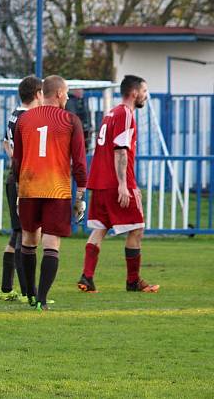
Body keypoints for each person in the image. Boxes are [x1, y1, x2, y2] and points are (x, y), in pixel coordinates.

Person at [77, 75, 159, 294]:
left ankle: (87, 276)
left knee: (99, 229)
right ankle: (133, 281)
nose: (145, 95)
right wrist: (123, 184)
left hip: (100, 182)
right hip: (116, 183)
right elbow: (120, 150)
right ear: (134, 93)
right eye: (144, 91)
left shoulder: (111, 113)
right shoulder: (124, 113)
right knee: (137, 229)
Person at [13, 75, 87, 311]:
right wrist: (80, 194)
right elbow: (79, 161)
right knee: (51, 243)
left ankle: (32, 294)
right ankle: (42, 300)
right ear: (58, 94)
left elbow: (17, 160)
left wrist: (18, 188)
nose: (66, 96)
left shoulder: (24, 120)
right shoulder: (70, 120)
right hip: (56, 188)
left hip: (29, 186)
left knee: (28, 240)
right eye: (65, 93)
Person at [0, 76, 42, 302]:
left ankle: (6, 288)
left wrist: (13, 162)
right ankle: (27, 292)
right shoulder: (28, 119)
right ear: (38, 94)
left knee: (17, 232)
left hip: (14, 176)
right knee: (25, 234)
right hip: (21, 181)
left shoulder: (14, 115)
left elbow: (5, 143)